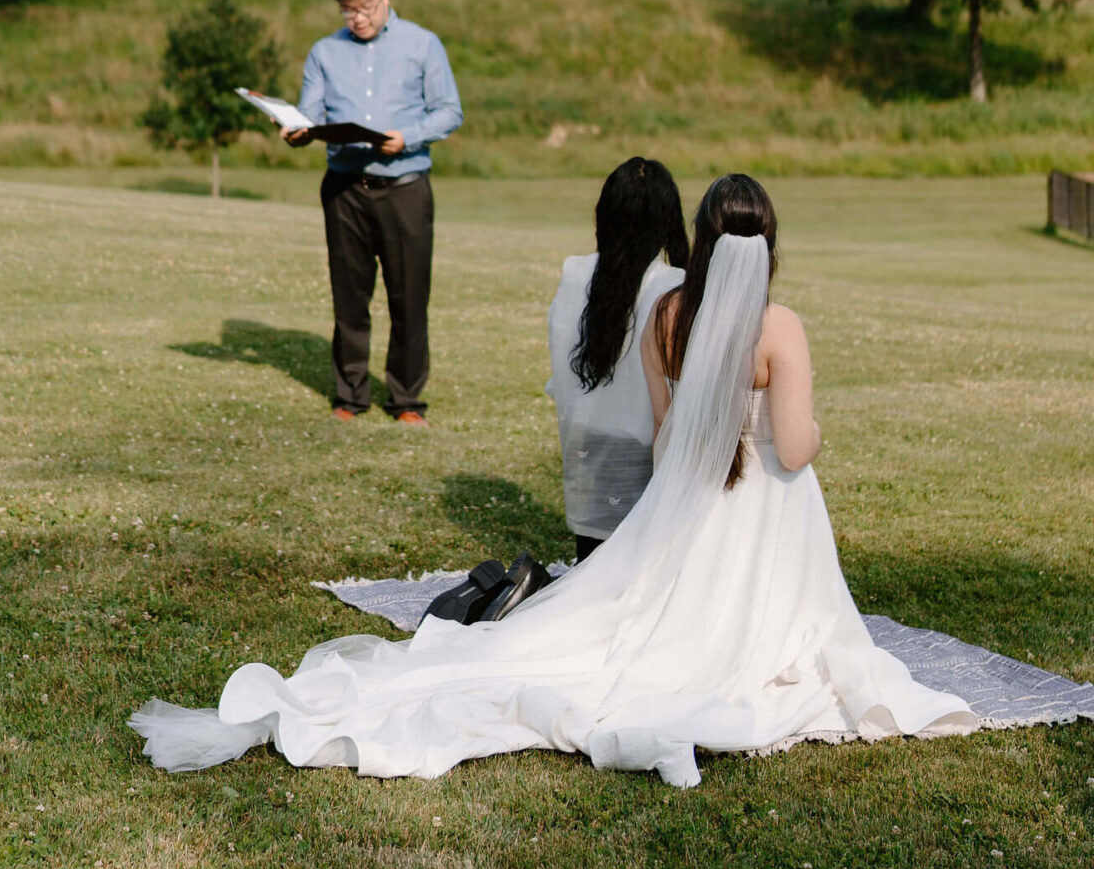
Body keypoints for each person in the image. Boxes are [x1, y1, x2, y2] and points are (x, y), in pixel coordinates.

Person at [131, 173, 978, 789]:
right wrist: (817, 426)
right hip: (762, 518)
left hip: (680, 505)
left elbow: (664, 435)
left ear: (706, 239)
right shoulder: (779, 325)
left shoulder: (665, 314)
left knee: (619, 623)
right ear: (771, 246)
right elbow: (793, 449)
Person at [283, 0, 461, 425]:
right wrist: (299, 131)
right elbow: (310, 112)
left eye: (365, 8)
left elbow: (449, 111)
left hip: (404, 186)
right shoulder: (325, 52)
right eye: (348, 11)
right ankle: (350, 396)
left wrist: (408, 136)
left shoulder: (423, 44)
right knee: (349, 297)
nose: (357, 19)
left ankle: (405, 401)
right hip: (344, 188)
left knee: (408, 298)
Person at [546, 158, 688, 560]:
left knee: (594, 563)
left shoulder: (575, 273)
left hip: (588, 443)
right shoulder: (673, 285)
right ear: (667, 219)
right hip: (648, 451)